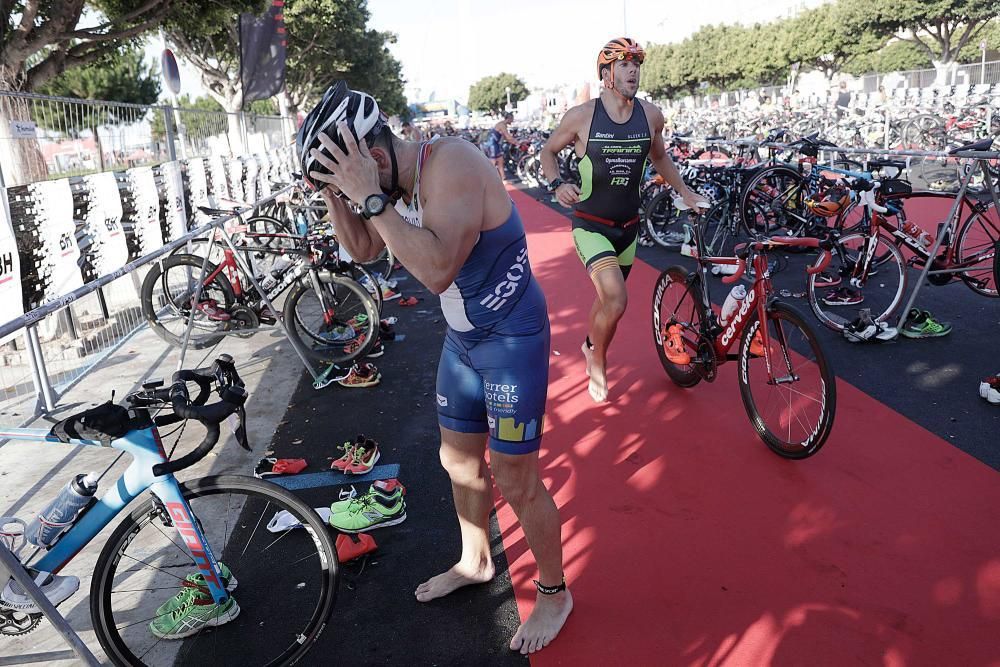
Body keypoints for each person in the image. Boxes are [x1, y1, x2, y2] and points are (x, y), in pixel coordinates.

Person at [299, 81, 572, 655]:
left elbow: (436, 270)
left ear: (373, 158)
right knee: (459, 463)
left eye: (349, 175)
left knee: (516, 478)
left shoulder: (451, 163)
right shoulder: (387, 183)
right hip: (465, 344)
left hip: (512, 340)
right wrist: (333, 193)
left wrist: (370, 198)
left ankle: (554, 592)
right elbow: (366, 251)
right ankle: (475, 561)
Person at [540, 37, 706, 403]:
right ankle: (596, 357)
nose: (633, 71)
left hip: (628, 228)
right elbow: (547, 152)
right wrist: (557, 184)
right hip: (590, 225)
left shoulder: (651, 115)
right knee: (616, 299)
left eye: (637, 64)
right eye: (625, 64)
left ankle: (589, 344)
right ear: (606, 74)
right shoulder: (582, 117)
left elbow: (661, 158)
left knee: (606, 305)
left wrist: (685, 191)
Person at [483, 111, 518, 179]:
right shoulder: (502, 125)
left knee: (500, 161)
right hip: (492, 144)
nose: (512, 121)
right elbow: (508, 137)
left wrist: (514, 142)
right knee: (493, 162)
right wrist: (517, 142)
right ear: (509, 118)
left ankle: (503, 177)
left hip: (495, 144)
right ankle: (487, 177)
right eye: (512, 119)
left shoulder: (503, 125)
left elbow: (506, 138)